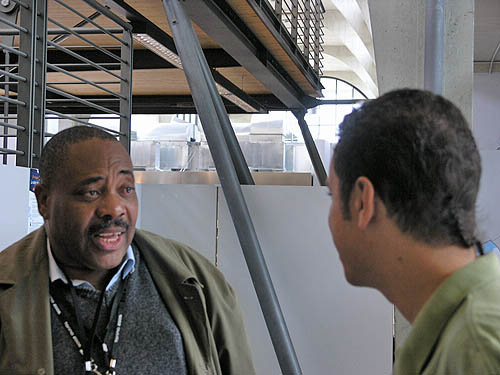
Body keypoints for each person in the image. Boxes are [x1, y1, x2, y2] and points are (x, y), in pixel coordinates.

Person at [0, 126, 255, 375]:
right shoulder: (7, 292)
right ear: (44, 201)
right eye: (92, 192)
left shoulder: (198, 281)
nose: (114, 208)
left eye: (126, 189)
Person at [328, 89, 500, 375]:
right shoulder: (466, 334)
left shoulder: (478, 352)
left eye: (331, 195)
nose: (330, 216)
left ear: (362, 202)